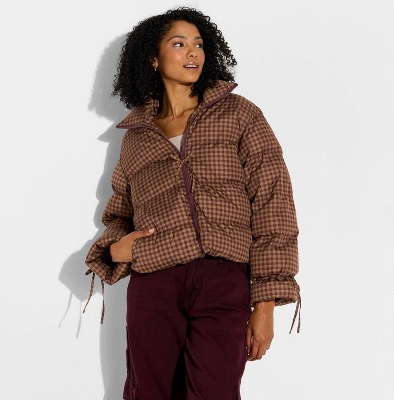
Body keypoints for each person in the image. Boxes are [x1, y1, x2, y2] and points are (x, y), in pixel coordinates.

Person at [85, 6, 301, 400]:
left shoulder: (239, 114)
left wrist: (266, 303)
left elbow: (274, 203)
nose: (192, 53)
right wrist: (115, 249)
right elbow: (119, 213)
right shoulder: (137, 136)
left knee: (214, 391)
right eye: (179, 43)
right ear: (153, 58)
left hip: (224, 279)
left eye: (198, 44)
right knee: (149, 393)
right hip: (155, 284)